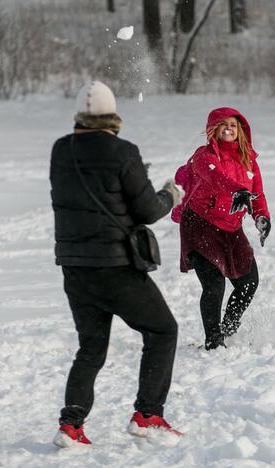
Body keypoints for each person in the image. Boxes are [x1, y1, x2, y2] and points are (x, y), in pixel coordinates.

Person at [50, 81, 184, 447]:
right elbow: (147, 210)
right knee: (162, 332)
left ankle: (71, 425)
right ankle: (148, 415)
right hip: (116, 267)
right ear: (112, 116)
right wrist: (170, 193)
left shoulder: (61, 150)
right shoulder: (124, 152)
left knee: (91, 346)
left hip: (75, 269)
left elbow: (84, 195)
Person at [172, 107, 271, 351]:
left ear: (241, 131)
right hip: (200, 225)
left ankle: (228, 329)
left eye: (234, 125)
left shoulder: (249, 159)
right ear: (214, 129)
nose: (229, 128)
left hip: (231, 228)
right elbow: (216, 178)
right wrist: (236, 190)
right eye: (223, 124)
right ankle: (214, 341)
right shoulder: (204, 156)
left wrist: (261, 217)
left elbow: (257, 193)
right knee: (214, 284)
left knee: (249, 281)